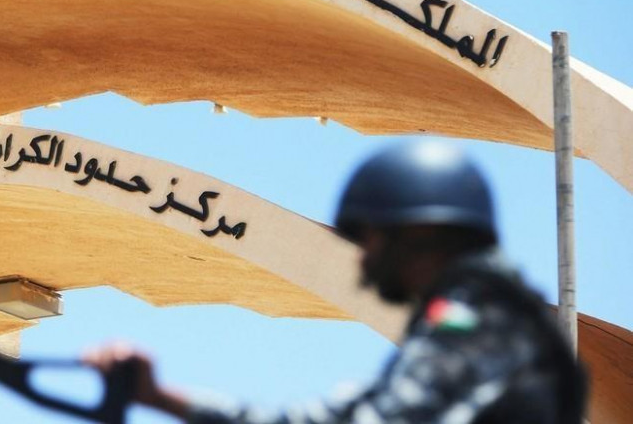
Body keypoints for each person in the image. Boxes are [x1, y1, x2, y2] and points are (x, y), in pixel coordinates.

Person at [85, 141, 587, 423]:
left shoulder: (481, 322)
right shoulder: (474, 324)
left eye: (369, 241)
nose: (362, 262)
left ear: (418, 232)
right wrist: (161, 398)